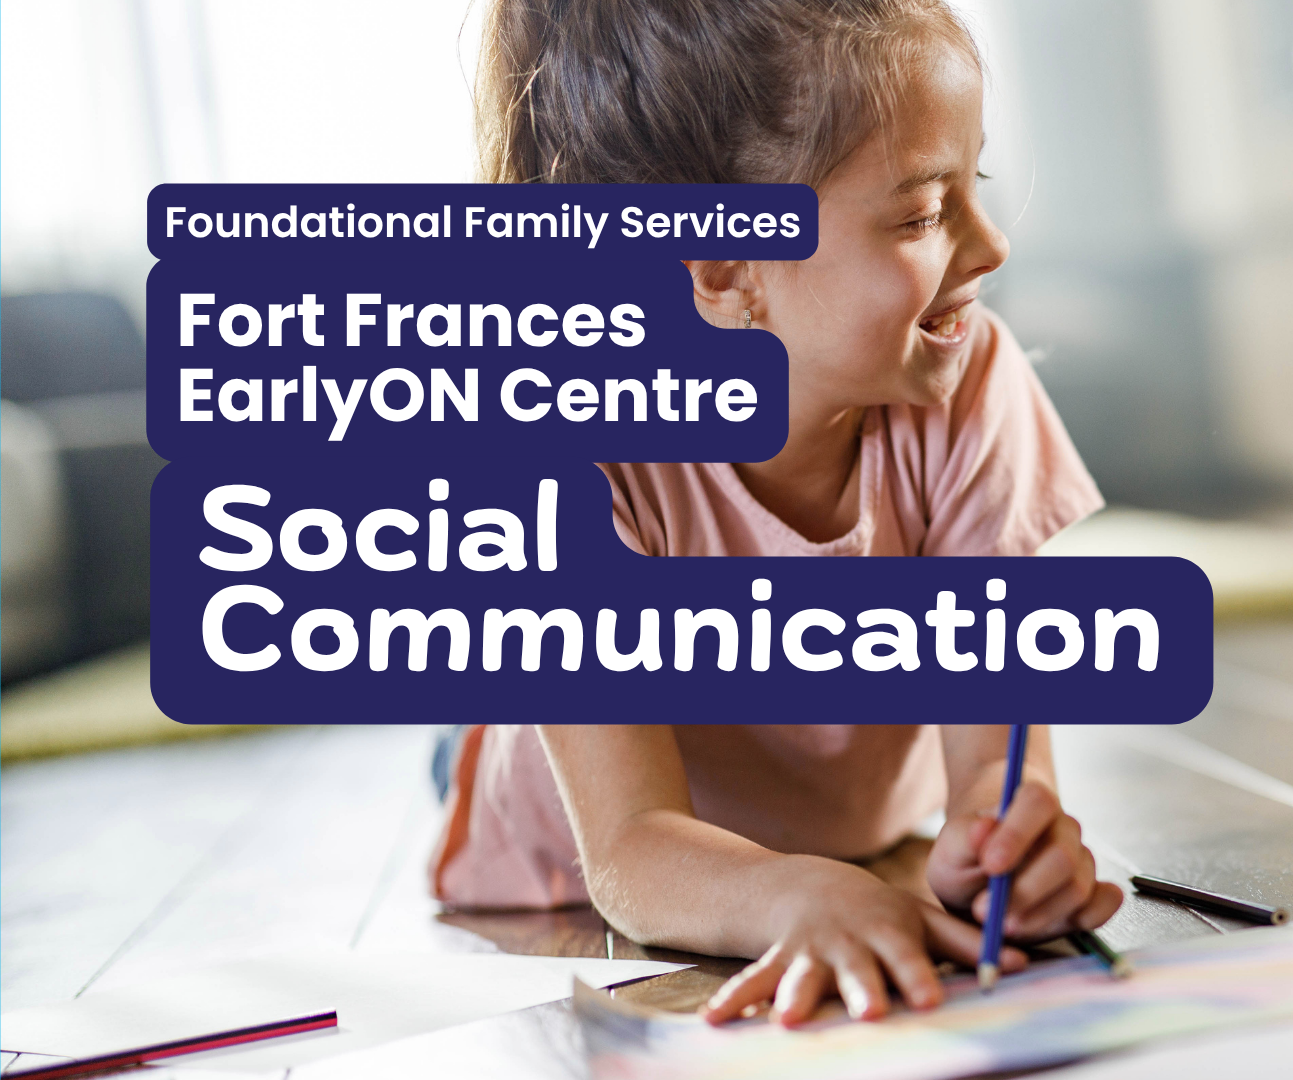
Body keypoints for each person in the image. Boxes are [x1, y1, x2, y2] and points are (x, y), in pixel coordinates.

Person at [429, 0, 1123, 1026]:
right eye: (924, 214)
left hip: (834, 824)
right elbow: (628, 851)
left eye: (971, 186)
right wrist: (790, 893)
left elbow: (996, 774)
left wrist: (1003, 849)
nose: (992, 246)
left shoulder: (971, 383)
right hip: (574, 861)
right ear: (721, 270)